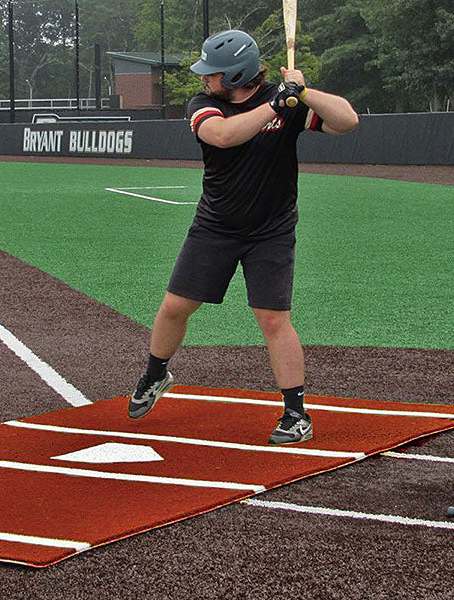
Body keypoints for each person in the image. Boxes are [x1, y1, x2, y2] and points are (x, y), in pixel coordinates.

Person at [127, 29, 359, 445]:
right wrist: (276, 103)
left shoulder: (288, 100)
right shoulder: (204, 105)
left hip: (271, 230)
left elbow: (347, 121)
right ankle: (155, 374)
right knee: (176, 306)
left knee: (273, 319)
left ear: (236, 75)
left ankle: (295, 414)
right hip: (215, 226)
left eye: (212, 74)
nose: (204, 79)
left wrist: (304, 92)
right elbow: (224, 136)